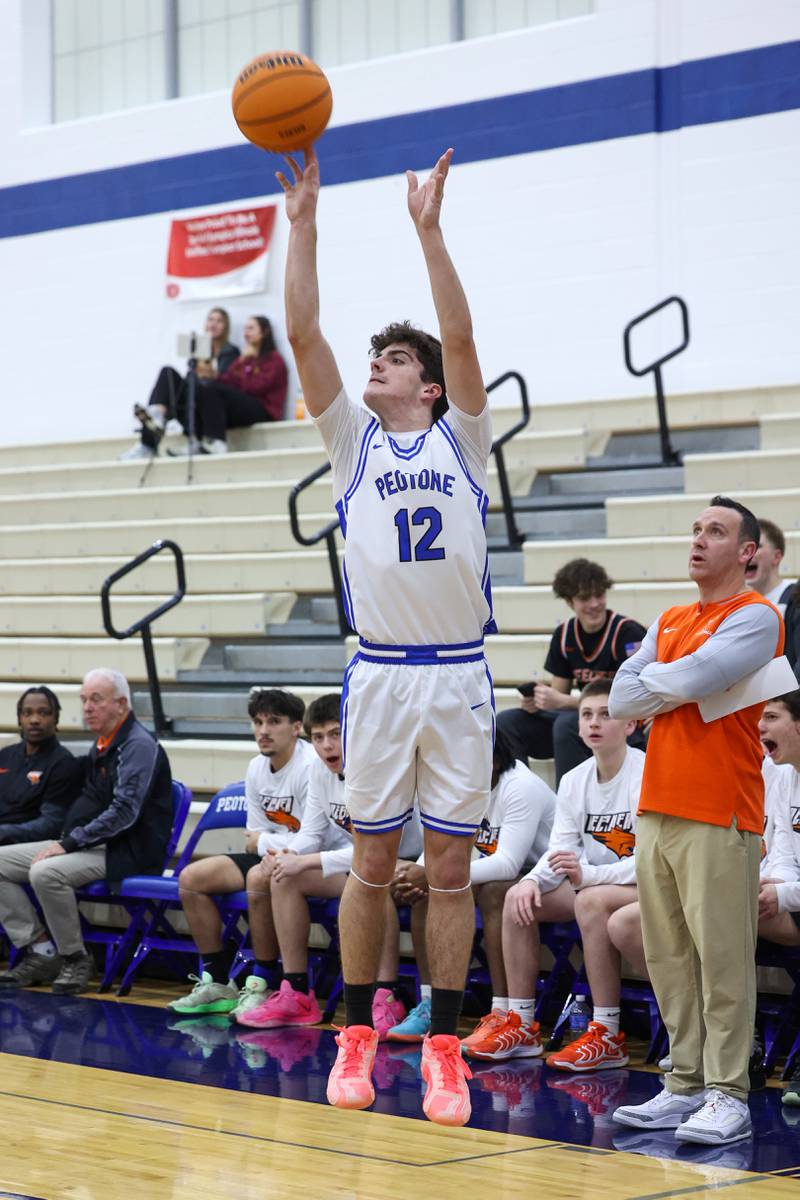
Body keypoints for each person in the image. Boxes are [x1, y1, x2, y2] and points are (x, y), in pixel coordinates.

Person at [280, 144, 495, 1125]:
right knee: (369, 864)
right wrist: (304, 225)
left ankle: (443, 1044)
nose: (377, 364)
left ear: (428, 386)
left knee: (447, 872)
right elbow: (301, 330)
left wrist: (430, 232)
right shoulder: (348, 441)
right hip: (377, 676)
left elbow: (455, 328)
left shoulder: (461, 435)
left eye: (394, 359)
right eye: (378, 355)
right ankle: (355, 1036)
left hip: (456, 678)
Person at [610, 496, 784, 1146]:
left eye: (716, 531)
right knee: (668, 957)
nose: (699, 540)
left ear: (747, 551)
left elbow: (693, 677)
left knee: (722, 961)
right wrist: (674, 684)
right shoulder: (672, 616)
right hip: (656, 808)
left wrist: (667, 681)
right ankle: (682, 1084)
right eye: (695, 529)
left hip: (722, 812)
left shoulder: (759, 617)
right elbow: (624, 698)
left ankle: (727, 1094)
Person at [464, 681, 644, 1066]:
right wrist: (530, 881)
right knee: (516, 897)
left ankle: (608, 1033)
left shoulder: (646, 773)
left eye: (606, 715)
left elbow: (651, 862)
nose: (594, 723)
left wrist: (588, 875)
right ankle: (523, 1025)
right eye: (586, 715)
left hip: (641, 886)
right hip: (591, 881)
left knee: (591, 902)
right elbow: (559, 851)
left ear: (631, 725)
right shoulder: (574, 779)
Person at [236, 693, 418, 1036]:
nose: (327, 745)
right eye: (318, 737)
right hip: (357, 864)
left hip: (407, 866)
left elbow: (376, 851)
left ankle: (386, 995)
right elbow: (311, 833)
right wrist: (287, 856)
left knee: (369, 881)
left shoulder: (379, 771)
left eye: (336, 734)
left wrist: (304, 860)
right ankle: (297, 991)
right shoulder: (319, 770)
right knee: (283, 877)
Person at [0, 669, 172, 994]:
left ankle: (76, 958)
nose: (88, 707)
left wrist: (68, 842)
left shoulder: (137, 745)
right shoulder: (103, 744)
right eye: (83, 700)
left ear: (121, 704)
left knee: (46, 872)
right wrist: (67, 840)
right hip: (92, 844)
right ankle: (41, 950)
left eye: (96, 699)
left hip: (128, 850)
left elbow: (124, 813)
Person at [388, 728, 555, 1043]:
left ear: (490, 760)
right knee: (424, 891)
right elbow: (440, 849)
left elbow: (508, 863)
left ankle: (505, 1013)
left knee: (494, 891)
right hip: (502, 873)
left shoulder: (521, 786)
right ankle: (431, 1003)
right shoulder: (463, 788)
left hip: (545, 875)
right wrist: (418, 873)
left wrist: (432, 874)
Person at [167, 688, 314, 1019]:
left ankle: (263, 979)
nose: (263, 730)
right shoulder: (255, 768)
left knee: (257, 874)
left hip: (308, 858)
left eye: (274, 722)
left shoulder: (309, 766)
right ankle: (218, 980)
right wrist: (266, 842)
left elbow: (307, 838)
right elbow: (252, 837)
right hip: (275, 851)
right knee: (192, 877)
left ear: (296, 727)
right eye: (258, 722)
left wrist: (265, 842)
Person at [497, 558, 646, 785]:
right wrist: (540, 702)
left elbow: (634, 699)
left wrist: (563, 702)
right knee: (508, 721)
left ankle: (568, 803)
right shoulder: (565, 634)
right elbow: (559, 695)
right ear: (569, 601)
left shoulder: (628, 633)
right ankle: (521, 792)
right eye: (585, 598)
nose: (595, 604)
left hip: (623, 724)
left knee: (566, 723)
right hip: (583, 723)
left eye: (600, 595)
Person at [121, 306, 239, 460]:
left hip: (211, 405)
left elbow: (225, 382)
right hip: (195, 397)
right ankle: (156, 416)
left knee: (196, 387)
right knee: (167, 373)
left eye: (219, 321)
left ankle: (157, 429)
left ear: (225, 326)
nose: (214, 324)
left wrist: (208, 371)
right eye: (211, 319)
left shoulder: (230, 351)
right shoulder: (197, 351)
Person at [758, 690, 800, 1106]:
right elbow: (785, 853)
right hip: (797, 897)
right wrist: (772, 888)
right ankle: (739, 1045)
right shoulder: (785, 774)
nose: (759, 727)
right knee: (728, 911)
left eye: (770, 716)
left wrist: (783, 894)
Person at [179, 314, 288, 455]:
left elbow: (255, 388)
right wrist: (215, 375)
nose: (246, 333)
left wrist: (242, 362)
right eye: (245, 329)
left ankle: (217, 441)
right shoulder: (245, 358)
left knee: (212, 388)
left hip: (263, 410)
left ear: (264, 332)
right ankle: (194, 440)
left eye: (251, 328)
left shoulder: (273, 359)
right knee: (202, 387)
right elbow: (227, 379)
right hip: (242, 407)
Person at [0, 686, 83, 845]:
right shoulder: (5, 755)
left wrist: (3, 832)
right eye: (27, 713)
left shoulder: (64, 764)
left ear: (56, 719)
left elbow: (50, 824)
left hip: (28, 845)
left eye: (43, 713)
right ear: (19, 719)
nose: (35, 720)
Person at [747, 518, 796, 614]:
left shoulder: (794, 597)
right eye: (745, 547)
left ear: (776, 557)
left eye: (757, 546)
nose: (748, 553)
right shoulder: (739, 602)